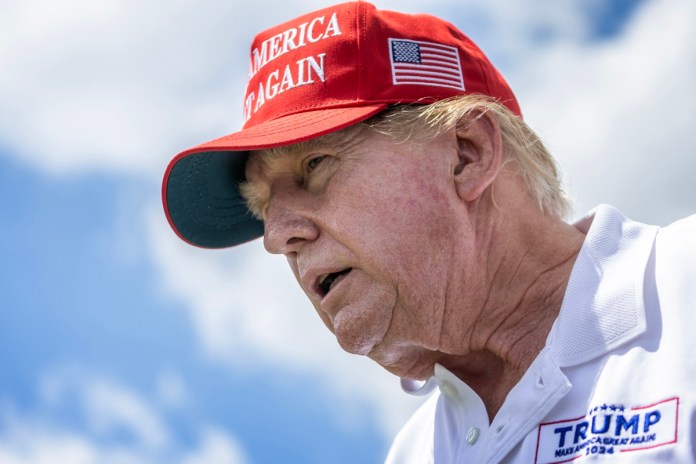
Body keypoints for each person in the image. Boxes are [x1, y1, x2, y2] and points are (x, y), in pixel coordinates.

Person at [162, 2, 696, 462]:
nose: (277, 236)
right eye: (262, 208)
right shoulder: (413, 451)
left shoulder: (684, 286)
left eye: (315, 166)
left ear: (468, 154)